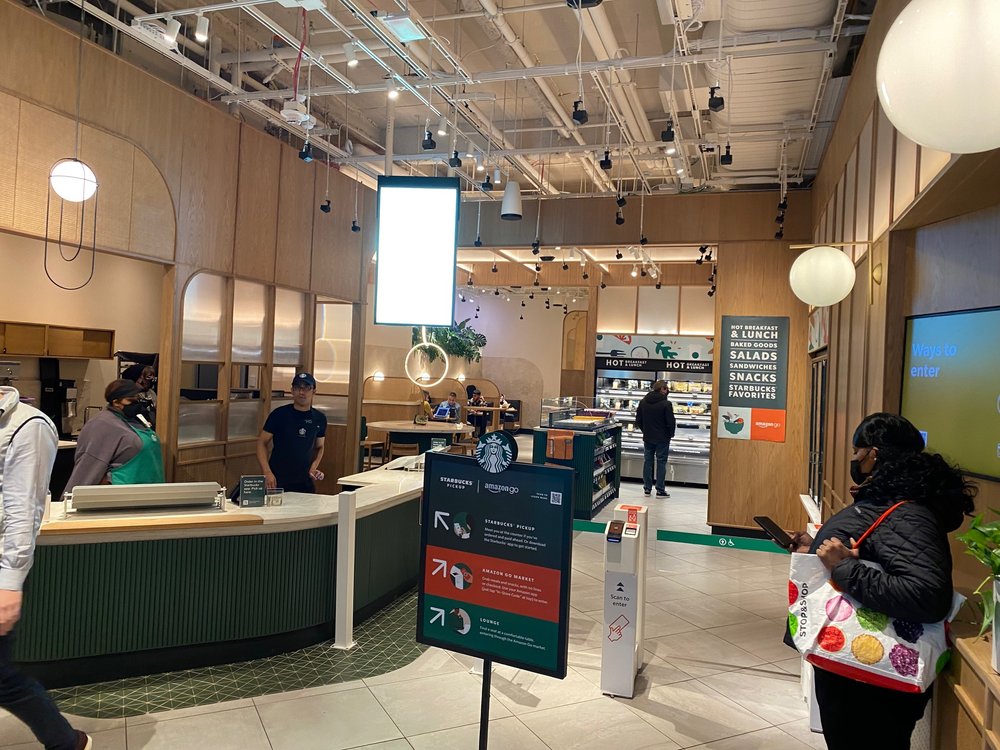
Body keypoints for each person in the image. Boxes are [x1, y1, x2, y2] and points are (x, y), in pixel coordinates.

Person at [790, 413, 976, 750]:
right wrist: (812, 547)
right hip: (860, 676)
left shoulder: (907, 513)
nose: (854, 459)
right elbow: (881, 554)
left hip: (871, 684)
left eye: (857, 451)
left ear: (873, 454)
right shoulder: (893, 503)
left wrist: (844, 569)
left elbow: (927, 595)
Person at [1, 386, 92, 750]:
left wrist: (10, 581)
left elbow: (23, 509)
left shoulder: (26, 425)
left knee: (2, 677)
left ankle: (68, 742)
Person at [65, 379, 164, 493]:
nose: (136, 403)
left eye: (137, 399)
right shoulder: (101, 424)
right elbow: (89, 464)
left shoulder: (136, 420)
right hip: (123, 494)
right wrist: (74, 497)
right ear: (116, 402)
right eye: (131, 400)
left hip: (150, 490)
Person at [257, 373, 326, 492]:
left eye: (306, 388)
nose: (301, 392)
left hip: (305, 481)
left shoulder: (319, 418)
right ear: (292, 391)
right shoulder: (279, 414)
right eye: (298, 387)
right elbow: (261, 443)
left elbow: (319, 447)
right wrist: (267, 472)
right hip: (277, 479)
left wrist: (314, 467)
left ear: (314, 391)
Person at [635, 380, 675, 498]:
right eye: (666, 389)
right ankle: (660, 489)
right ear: (662, 389)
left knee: (648, 461)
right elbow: (670, 422)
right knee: (661, 462)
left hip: (648, 437)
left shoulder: (643, 402)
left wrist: (645, 431)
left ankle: (647, 488)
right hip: (662, 438)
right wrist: (670, 434)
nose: (667, 391)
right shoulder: (666, 404)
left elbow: (638, 420)